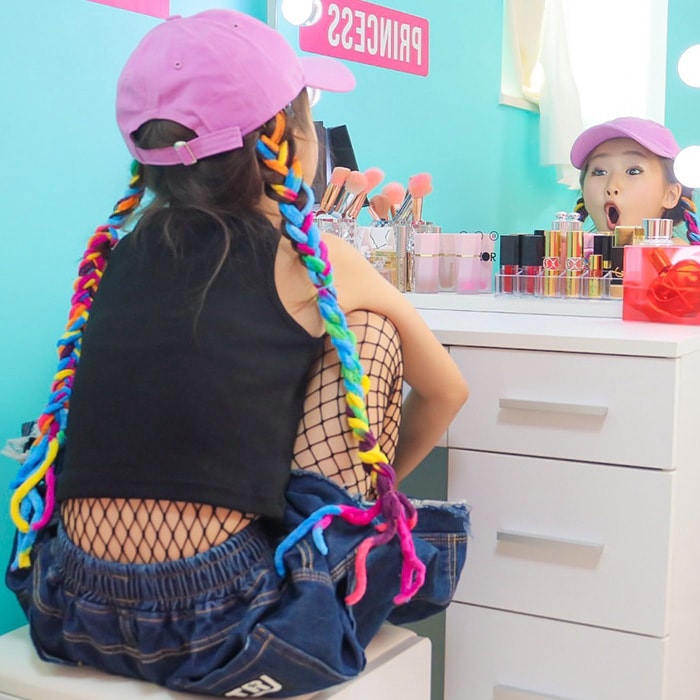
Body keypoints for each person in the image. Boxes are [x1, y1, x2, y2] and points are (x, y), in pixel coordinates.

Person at [5, 9, 470, 697]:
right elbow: (446, 391)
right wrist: (368, 502)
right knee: (370, 332)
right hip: (221, 619)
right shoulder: (311, 258)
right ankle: (353, 541)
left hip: (71, 603)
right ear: (287, 138)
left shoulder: (115, 256)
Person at [569, 116, 700, 244]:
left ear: (671, 195)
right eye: (599, 172)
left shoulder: (683, 257)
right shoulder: (570, 254)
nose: (611, 187)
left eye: (633, 171)